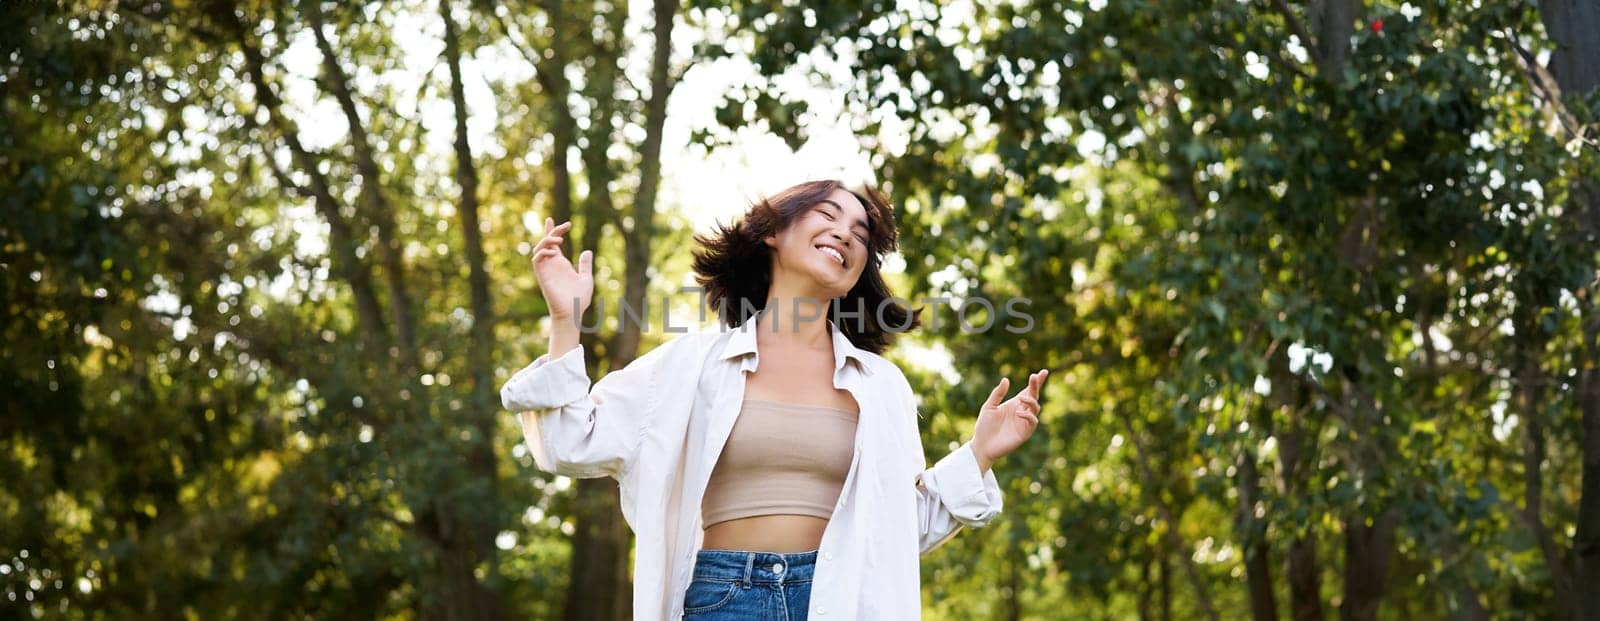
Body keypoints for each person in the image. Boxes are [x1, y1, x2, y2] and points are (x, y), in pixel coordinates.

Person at [501, 180, 1049, 620]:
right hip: (722, 598)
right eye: (828, 216)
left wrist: (979, 453)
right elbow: (569, 443)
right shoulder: (691, 366)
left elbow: (896, 530)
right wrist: (565, 321)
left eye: (860, 233)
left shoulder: (880, 386)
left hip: (839, 600)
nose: (846, 235)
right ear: (772, 232)